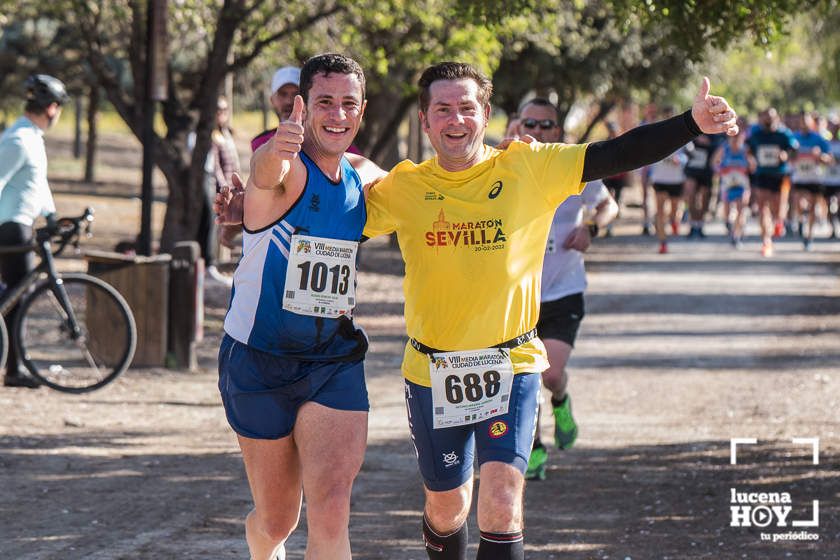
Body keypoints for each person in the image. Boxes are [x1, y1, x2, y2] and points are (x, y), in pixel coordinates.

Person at [358, 63, 737, 560]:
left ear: (486, 114)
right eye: (443, 110)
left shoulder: (529, 168)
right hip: (433, 369)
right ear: (426, 121)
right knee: (448, 508)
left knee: (500, 502)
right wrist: (254, 207)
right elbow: (327, 215)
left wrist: (690, 124)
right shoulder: (403, 188)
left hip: (509, 364)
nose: (456, 121)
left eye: (467, 109)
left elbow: (615, 153)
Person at [220, 54, 384, 560]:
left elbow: (425, 184)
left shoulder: (359, 173)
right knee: (276, 521)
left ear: (361, 110)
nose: (337, 114)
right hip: (258, 359)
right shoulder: (284, 168)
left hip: (332, 361)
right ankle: (262, 550)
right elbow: (266, 172)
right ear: (302, 105)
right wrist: (276, 148)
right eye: (324, 102)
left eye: (348, 103)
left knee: (332, 505)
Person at [505, 98, 618, 481]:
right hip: (517, 295)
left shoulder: (573, 166)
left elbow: (608, 205)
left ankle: (561, 400)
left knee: (550, 374)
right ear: (517, 127)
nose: (536, 131)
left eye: (545, 125)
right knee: (524, 377)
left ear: (558, 131)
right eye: (529, 123)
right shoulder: (502, 167)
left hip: (563, 291)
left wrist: (591, 227)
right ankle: (533, 448)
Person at [0, 74, 68, 388]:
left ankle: (14, 367)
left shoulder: (32, 138)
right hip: (10, 227)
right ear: (51, 108)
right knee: (18, 298)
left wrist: (53, 218)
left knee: (18, 296)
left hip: (22, 225)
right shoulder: (18, 140)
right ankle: (14, 369)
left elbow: (37, 185)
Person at [747, 108, 798, 257]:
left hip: (780, 175)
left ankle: (779, 222)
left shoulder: (783, 134)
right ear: (761, 119)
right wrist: (751, 160)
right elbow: (748, 149)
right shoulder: (756, 134)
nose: (768, 121)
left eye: (771, 118)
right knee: (763, 207)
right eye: (765, 118)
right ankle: (766, 241)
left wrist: (785, 155)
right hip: (762, 173)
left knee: (778, 208)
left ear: (776, 118)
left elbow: (794, 150)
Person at [648, 107, 688, 254]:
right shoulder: (655, 133)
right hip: (659, 178)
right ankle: (663, 242)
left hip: (676, 179)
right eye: (666, 116)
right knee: (660, 211)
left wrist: (680, 160)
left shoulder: (682, 133)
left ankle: (674, 221)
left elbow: (689, 153)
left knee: (674, 211)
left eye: (670, 116)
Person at [791, 111, 832, 250]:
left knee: (813, 207)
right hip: (799, 177)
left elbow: (829, 159)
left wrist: (820, 156)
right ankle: (802, 220)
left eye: (807, 121)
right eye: (802, 121)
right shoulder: (794, 137)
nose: (804, 124)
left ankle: (809, 236)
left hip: (815, 177)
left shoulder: (818, 138)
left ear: (811, 123)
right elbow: (787, 155)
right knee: (799, 203)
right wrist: (792, 155)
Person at [712, 125, 755, 248]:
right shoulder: (724, 148)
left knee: (741, 210)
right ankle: (730, 225)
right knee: (728, 211)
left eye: (738, 137)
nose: (736, 140)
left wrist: (745, 168)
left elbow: (753, 166)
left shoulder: (745, 150)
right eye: (733, 137)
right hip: (727, 184)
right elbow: (714, 163)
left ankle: (736, 236)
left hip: (742, 185)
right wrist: (721, 170)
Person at [251, 66, 302, 152]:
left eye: (296, 94)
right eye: (282, 94)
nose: (289, 101)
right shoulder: (260, 143)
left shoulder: (319, 142)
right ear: (272, 100)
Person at [683, 132, 723, 238]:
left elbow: (719, 148)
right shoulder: (693, 125)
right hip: (692, 169)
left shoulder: (715, 133)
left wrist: (709, 143)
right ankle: (692, 225)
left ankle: (700, 225)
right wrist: (696, 139)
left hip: (706, 171)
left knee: (704, 199)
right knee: (691, 197)